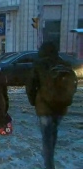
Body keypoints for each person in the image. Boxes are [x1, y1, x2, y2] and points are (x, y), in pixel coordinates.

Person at [26, 41, 77, 169]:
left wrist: (33, 101)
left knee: (46, 137)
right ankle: (50, 158)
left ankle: (49, 165)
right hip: (61, 107)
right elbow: (72, 85)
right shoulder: (64, 64)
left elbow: (30, 86)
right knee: (53, 132)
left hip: (45, 108)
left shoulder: (39, 64)